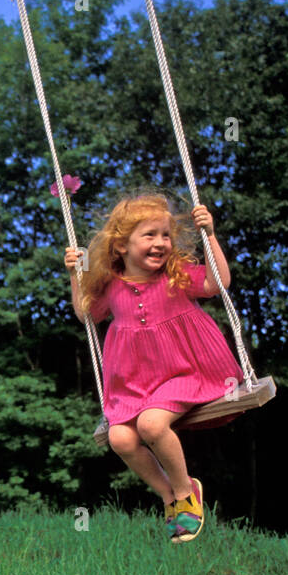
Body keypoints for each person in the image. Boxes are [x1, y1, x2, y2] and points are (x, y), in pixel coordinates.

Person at [65, 191, 242, 543]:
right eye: (149, 235)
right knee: (120, 437)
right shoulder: (113, 287)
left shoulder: (175, 276)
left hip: (187, 369)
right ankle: (168, 494)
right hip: (135, 382)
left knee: (150, 424)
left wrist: (210, 235)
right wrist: (75, 273)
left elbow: (216, 284)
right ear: (121, 247)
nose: (161, 242)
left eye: (165, 235)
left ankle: (186, 493)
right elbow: (86, 313)